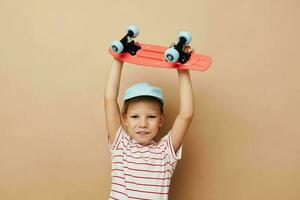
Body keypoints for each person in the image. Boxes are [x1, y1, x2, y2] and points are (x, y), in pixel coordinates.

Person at [104, 57, 194, 200]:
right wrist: (118, 59)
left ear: (161, 120)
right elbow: (110, 98)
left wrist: (182, 68)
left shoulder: (165, 152)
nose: (143, 124)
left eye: (151, 117)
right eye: (135, 117)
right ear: (125, 119)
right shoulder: (121, 144)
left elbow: (186, 114)